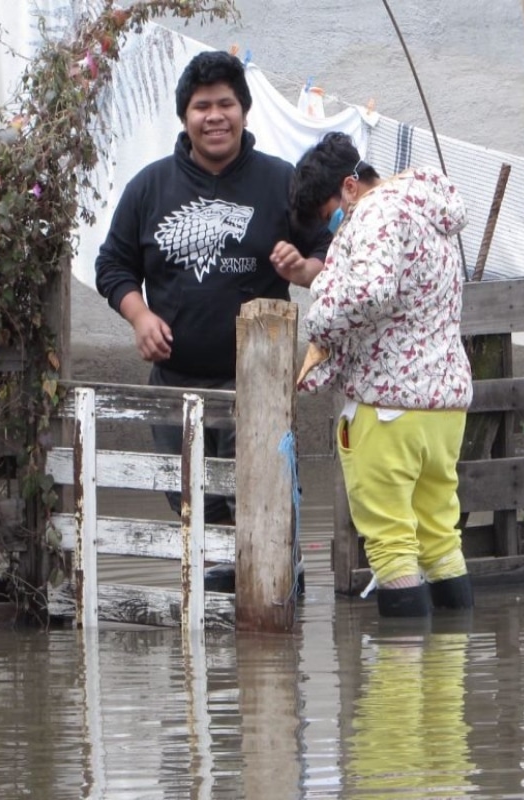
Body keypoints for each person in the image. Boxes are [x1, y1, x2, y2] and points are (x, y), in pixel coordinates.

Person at [95, 51, 328, 589]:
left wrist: (306, 268)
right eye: (203, 106)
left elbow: (328, 249)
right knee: (193, 506)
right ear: (185, 117)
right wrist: (139, 315)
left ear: (245, 112)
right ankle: (217, 635)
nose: (215, 116)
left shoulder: (281, 183)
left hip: (258, 385)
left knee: (260, 500)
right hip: (176, 385)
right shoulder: (149, 188)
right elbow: (114, 265)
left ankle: (269, 610)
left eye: (227, 103)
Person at [291, 132, 474, 618]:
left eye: (333, 215)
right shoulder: (426, 210)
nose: (337, 227)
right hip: (444, 406)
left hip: (387, 405)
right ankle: (446, 681)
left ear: (350, 188)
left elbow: (372, 291)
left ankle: (397, 689)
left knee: (392, 545)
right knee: (439, 536)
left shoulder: (374, 212)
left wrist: (319, 314)